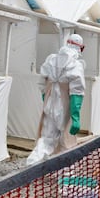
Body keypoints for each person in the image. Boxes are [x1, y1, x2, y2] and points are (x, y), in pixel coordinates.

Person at [27, 34, 86, 165]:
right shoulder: (75, 64)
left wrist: (46, 99)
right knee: (66, 139)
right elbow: (77, 91)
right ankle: (64, 173)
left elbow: (42, 83)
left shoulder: (51, 59)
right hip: (65, 106)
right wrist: (75, 116)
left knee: (47, 138)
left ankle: (31, 165)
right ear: (79, 48)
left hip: (50, 103)